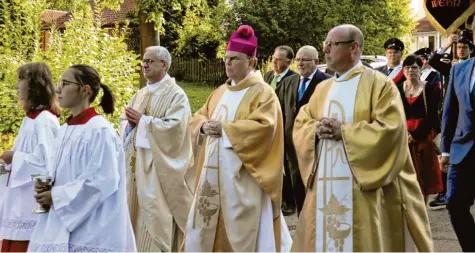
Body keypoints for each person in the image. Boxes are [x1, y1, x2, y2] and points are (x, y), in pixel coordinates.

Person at [291, 24, 433, 252]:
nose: (325, 49)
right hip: (326, 185)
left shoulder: (379, 84)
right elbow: (301, 123)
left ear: (353, 48)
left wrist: (344, 132)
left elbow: (391, 130)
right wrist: (315, 130)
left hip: (363, 190)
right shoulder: (323, 88)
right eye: (325, 44)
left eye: (332, 44)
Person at [183, 25, 291, 252]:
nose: (227, 63)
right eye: (226, 58)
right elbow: (200, 115)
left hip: (242, 180)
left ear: (251, 62)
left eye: (234, 59)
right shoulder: (221, 91)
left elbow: (265, 129)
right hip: (211, 177)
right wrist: (203, 126)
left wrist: (226, 130)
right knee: (203, 227)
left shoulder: (263, 93)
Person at [28, 64, 136, 252]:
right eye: (58, 82)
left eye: (65, 83)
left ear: (85, 90)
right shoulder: (63, 130)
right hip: (61, 227)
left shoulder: (100, 131)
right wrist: (45, 184)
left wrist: (56, 196)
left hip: (93, 231)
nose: (57, 89)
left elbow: (103, 180)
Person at [119, 46, 194, 252]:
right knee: (131, 214)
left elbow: (177, 129)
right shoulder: (140, 93)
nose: (145, 64)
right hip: (135, 166)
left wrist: (144, 122)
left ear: (165, 65)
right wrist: (129, 125)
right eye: (144, 60)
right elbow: (126, 125)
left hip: (157, 170)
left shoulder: (176, 95)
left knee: (153, 216)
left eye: (150, 61)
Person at [0, 63, 60, 252]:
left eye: (21, 80)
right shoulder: (30, 119)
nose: (17, 86)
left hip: (31, 202)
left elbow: (48, 164)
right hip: (18, 200)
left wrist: (15, 157)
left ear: (34, 84)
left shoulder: (45, 120)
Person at [278, 45, 330, 216]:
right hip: (291, 146)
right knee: (297, 185)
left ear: (316, 62)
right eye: (298, 59)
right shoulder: (288, 82)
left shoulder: (327, 83)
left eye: (305, 60)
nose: (300, 63)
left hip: (315, 146)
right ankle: (302, 225)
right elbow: (280, 112)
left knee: (314, 188)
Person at [439, 51, 475, 252]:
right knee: (454, 204)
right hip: (463, 150)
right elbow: (450, 111)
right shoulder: (460, 69)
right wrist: (445, 150)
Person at [397, 55, 443, 202]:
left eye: (414, 67)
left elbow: (432, 117)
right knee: (405, 175)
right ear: (403, 70)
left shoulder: (430, 89)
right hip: (402, 136)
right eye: (407, 67)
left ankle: (422, 208)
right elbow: (394, 114)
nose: (411, 70)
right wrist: (404, 134)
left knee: (424, 175)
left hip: (423, 137)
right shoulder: (397, 89)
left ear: (420, 69)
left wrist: (415, 135)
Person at [263, 45, 296, 215]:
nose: (274, 61)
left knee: (286, 165)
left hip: (284, 128)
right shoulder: (268, 76)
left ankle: (290, 202)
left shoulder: (293, 79)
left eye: (279, 59)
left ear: (289, 62)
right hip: (267, 128)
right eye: (273, 58)